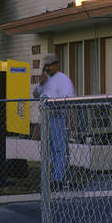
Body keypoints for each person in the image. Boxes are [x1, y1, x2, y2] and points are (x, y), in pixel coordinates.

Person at [32, 53, 74, 187]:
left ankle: (58, 178)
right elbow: (35, 94)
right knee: (47, 148)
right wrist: (40, 83)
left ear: (56, 65)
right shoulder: (45, 80)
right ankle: (48, 177)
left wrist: (58, 106)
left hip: (57, 116)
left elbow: (69, 97)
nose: (48, 68)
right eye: (46, 66)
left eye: (50, 65)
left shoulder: (63, 79)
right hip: (45, 117)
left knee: (59, 148)